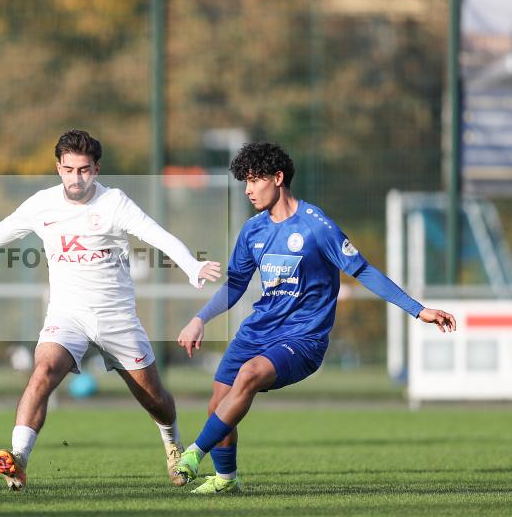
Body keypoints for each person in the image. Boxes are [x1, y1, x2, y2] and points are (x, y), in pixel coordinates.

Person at [0, 129, 221, 490]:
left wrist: (191, 266)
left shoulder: (114, 203)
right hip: (67, 316)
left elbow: (157, 235)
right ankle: (19, 459)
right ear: (58, 167)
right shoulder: (42, 204)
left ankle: (171, 443)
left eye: (84, 170)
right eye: (69, 169)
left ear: (97, 169)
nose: (77, 178)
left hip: (116, 318)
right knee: (43, 371)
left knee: (154, 399)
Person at [174, 142, 457, 494]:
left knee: (249, 375)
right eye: (244, 182)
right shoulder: (252, 231)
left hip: (302, 339)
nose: (248, 190)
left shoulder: (316, 226)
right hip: (257, 331)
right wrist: (200, 318)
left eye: (254, 180)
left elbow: (363, 270)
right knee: (219, 403)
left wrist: (419, 310)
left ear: (278, 178)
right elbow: (235, 287)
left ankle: (193, 453)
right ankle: (226, 481)